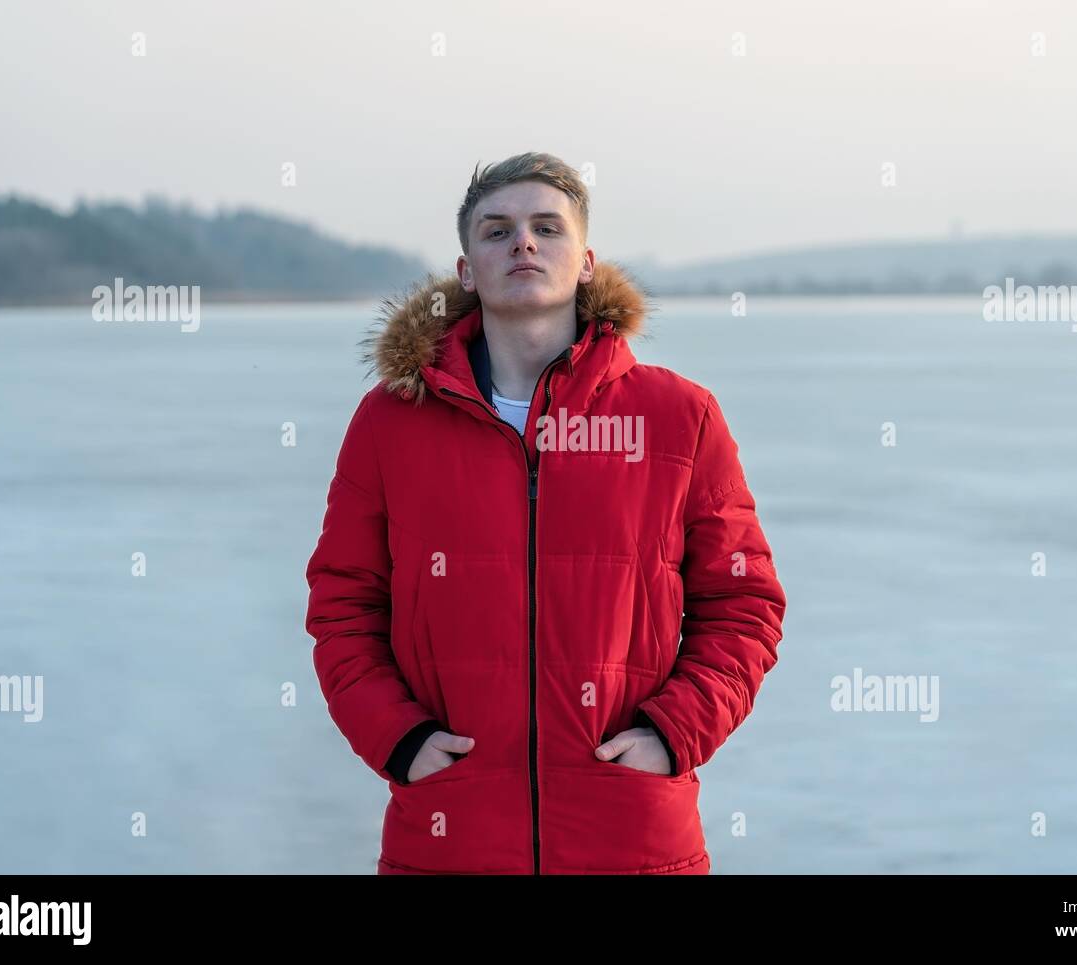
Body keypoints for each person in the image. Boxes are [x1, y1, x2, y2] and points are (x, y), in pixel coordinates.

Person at [304, 151, 787, 875]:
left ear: (586, 262)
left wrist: (672, 732)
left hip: (632, 837)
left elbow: (744, 603)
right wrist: (400, 741)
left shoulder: (679, 416)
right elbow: (343, 605)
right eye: (496, 231)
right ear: (467, 271)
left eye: (545, 227)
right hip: (448, 836)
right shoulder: (390, 423)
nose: (522, 243)